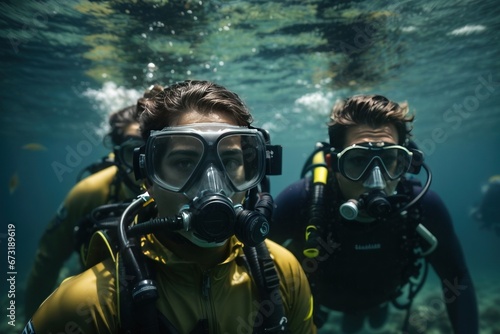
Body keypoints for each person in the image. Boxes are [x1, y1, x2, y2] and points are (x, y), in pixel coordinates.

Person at [24, 80, 316, 334]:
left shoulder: (283, 271)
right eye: (185, 162)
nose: (212, 185)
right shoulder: (84, 303)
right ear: (149, 178)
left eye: (230, 161)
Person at [269, 95, 478, 333]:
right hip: (320, 303)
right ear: (332, 163)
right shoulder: (301, 201)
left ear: (404, 162)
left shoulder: (422, 207)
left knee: (374, 319)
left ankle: (368, 312)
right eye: (358, 160)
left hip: (382, 298)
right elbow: (250, 267)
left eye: (389, 159)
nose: (375, 181)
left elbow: (456, 277)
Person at [24, 105, 145, 317]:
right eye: (132, 151)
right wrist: (32, 322)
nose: (142, 164)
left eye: (151, 150)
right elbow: (47, 262)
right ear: (117, 155)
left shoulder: (182, 191)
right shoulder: (89, 193)